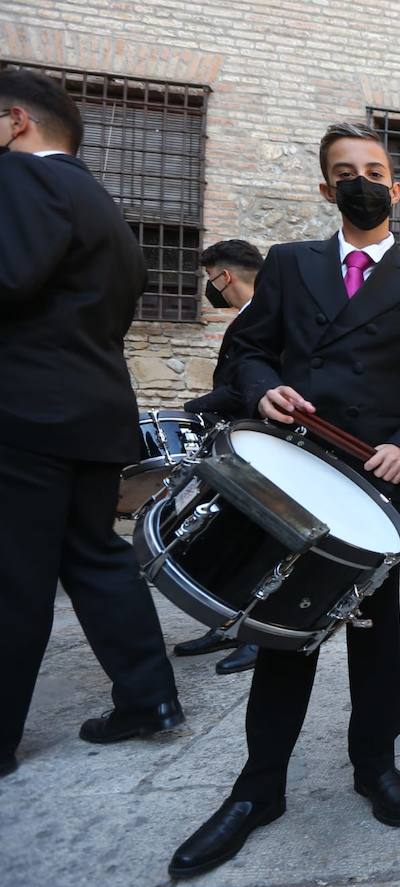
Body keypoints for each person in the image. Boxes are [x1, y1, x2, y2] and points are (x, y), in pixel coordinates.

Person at [169, 122, 400, 877]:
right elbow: (248, 350)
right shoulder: (290, 263)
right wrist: (262, 388)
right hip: (296, 470)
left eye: (374, 170)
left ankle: (375, 765)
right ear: (326, 187)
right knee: (282, 630)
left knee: (375, 636)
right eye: (344, 172)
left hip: (377, 481)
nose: (360, 181)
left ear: (397, 187)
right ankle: (258, 789)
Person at [0, 69, 185, 779]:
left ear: (17, 120)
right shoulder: (104, 205)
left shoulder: (24, 178)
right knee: (96, 559)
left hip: (26, 409)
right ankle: (149, 699)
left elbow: (9, 278)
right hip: (96, 409)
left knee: (16, 574)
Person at [172, 238, 266, 675]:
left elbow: (245, 385)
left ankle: (256, 636)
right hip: (238, 440)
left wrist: (193, 408)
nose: (211, 287)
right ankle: (227, 624)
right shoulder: (251, 315)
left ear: (225, 276)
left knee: (254, 542)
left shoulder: (264, 316)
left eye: (211, 279)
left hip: (257, 443)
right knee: (229, 537)